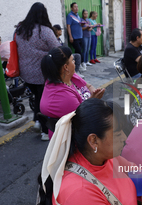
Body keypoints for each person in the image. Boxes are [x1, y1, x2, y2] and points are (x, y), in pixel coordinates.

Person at [15, 2, 60, 141]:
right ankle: (45, 131)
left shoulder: (20, 30)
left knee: (38, 97)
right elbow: (57, 49)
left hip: (26, 73)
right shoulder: (45, 31)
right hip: (42, 73)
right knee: (43, 101)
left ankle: (38, 121)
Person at [40, 46, 104, 139]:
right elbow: (82, 119)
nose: (74, 62)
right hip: (71, 139)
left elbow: (88, 86)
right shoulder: (63, 96)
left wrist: (94, 93)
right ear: (65, 67)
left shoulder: (69, 75)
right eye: (72, 60)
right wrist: (93, 100)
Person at [67, 2, 84, 67]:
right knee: (79, 52)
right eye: (75, 7)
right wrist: (70, 36)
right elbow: (68, 26)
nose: (76, 8)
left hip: (80, 36)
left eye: (77, 7)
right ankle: (80, 64)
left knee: (78, 51)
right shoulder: (70, 16)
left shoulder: (78, 16)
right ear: (71, 8)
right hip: (75, 38)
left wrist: (82, 24)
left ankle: (77, 65)